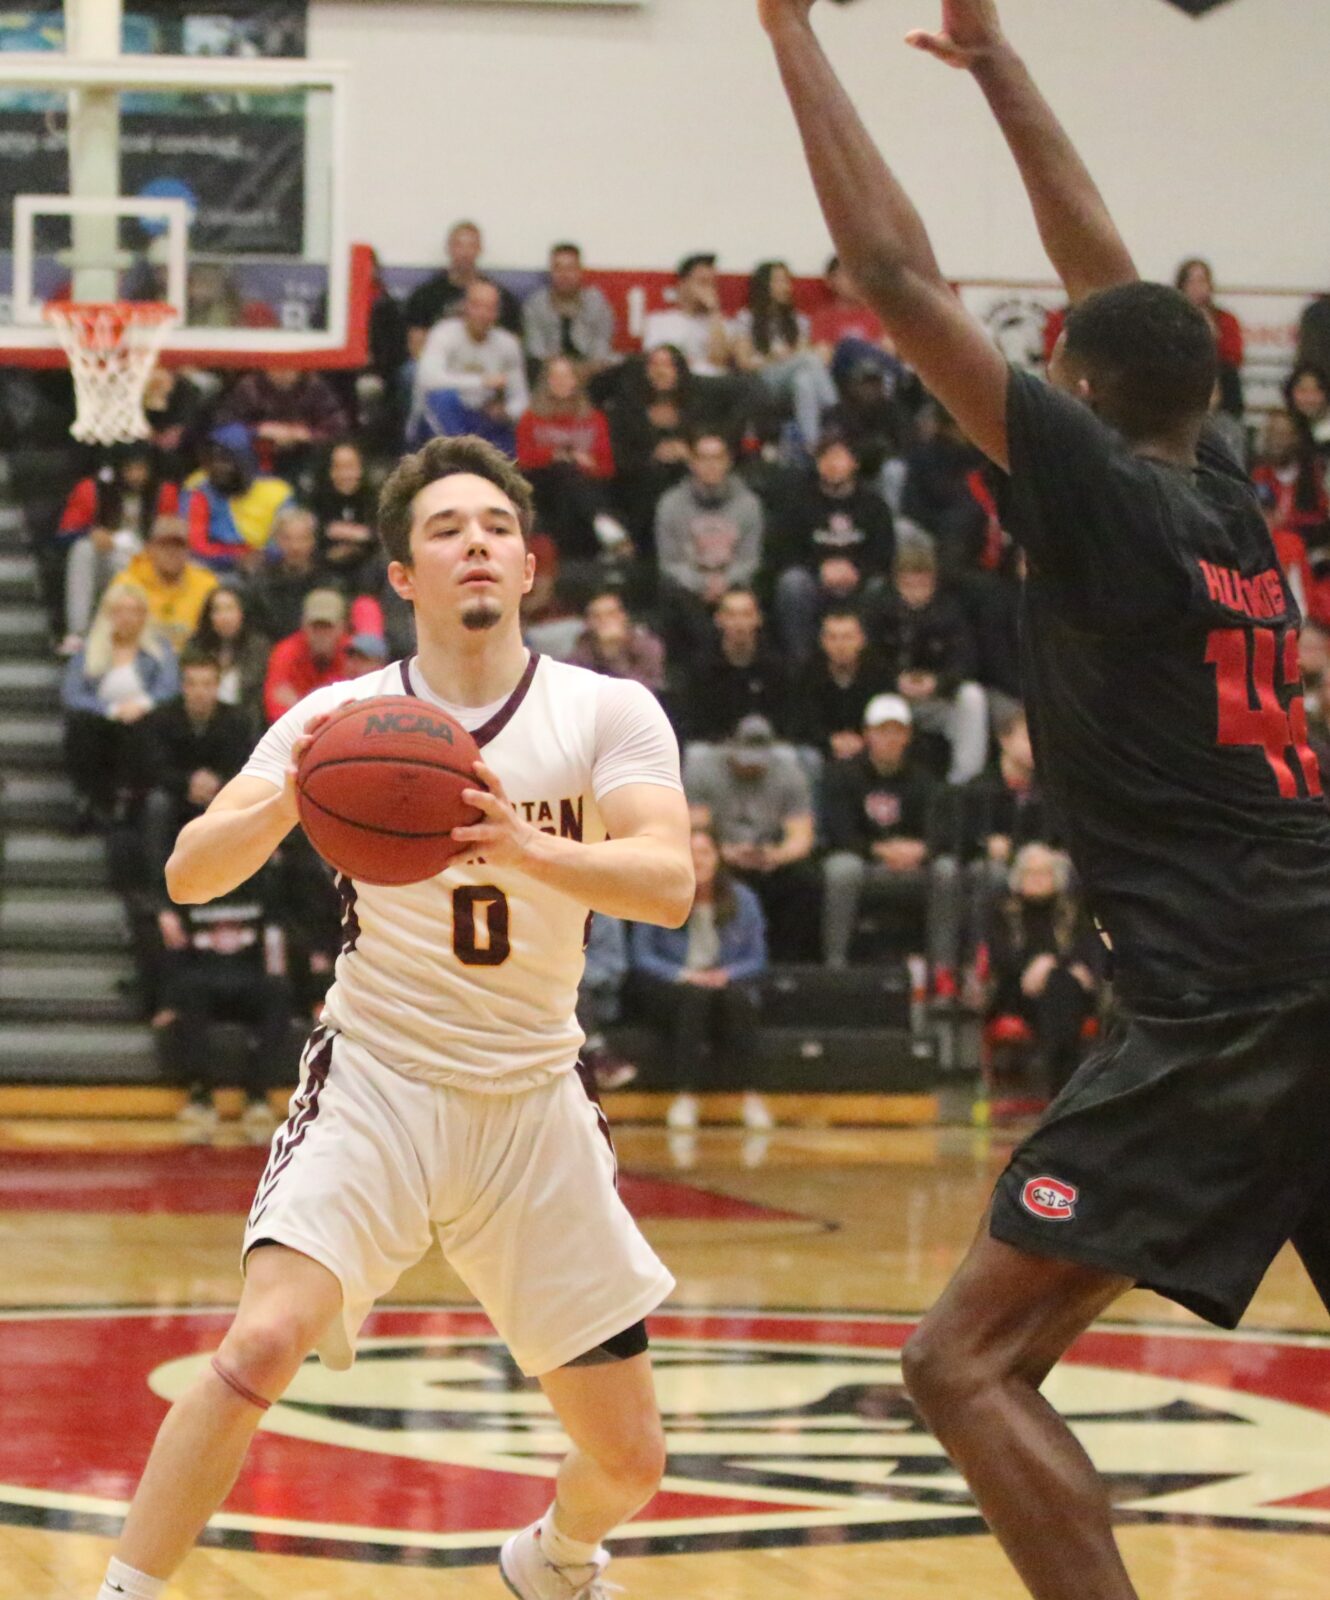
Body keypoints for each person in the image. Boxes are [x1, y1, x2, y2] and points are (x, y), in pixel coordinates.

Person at [758, 5, 1330, 1600]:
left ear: (1074, 390)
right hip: (1302, 944)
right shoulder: (1225, 495)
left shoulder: (1104, 496)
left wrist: (785, 25)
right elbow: (1119, 293)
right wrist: (999, 69)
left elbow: (890, 275)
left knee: (961, 1363)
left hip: (1224, 991)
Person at [92, 433, 692, 1600]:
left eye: (497, 528)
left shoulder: (604, 710)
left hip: (533, 1095)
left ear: (530, 565)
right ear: (404, 576)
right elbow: (187, 873)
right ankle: (123, 1591)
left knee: (630, 1458)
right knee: (263, 1338)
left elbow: (668, 882)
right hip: (380, 1075)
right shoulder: (340, 718)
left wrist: (526, 845)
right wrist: (288, 796)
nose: (477, 544)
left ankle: (553, 1559)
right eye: (446, 529)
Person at [630, 826, 769, 1132]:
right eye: (691, 854)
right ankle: (686, 1096)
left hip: (723, 986)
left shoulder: (743, 899)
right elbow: (642, 955)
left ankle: (750, 1096)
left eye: (705, 853)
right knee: (696, 997)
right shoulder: (658, 895)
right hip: (675, 986)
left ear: (718, 857)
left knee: (738, 999)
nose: (699, 861)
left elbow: (757, 958)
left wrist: (726, 974)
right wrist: (685, 975)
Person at [684, 714, 818, 961]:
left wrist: (775, 855)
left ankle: (787, 964)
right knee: (698, 866)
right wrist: (723, 852)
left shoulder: (790, 775)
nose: (751, 767)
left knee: (805, 879)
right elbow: (696, 829)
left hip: (768, 855)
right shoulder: (704, 770)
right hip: (719, 853)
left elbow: (801, 836)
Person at [819, 694, 937, 968]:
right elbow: (840, 834)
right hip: (864, 863)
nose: (890, 739)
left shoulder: (924, 780)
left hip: (913, 867)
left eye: (897, 731)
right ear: (867, 734)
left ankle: (943, 969)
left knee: (946, 870)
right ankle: (835, 965)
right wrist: (880, 850)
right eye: (882, 731)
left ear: (908, 736)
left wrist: (922, 850)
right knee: (842, 868)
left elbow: (937, 830)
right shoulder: (842, 774)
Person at [982, 842, 1103, 1100]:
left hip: (1066, 991)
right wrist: (1030, 970)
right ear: (1018, 877)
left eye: (1045, 873)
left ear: (1057, 877)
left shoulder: (1074, 908)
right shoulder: (1002, 909)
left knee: (1060, 984)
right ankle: (1066, 1086)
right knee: (1060, 987)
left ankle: (1059, 1085)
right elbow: (999, 956)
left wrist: (1052, 964)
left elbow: (1089, 950)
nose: (1037, 879)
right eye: (1030, 873)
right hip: (1018, 992)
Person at [61, 582, 180, 831]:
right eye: (120, 611)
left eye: (134, 611)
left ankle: (129, 802)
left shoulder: (160, 648)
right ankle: (91, 801)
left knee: (147, 724)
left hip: (143, 720)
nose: (127, 618)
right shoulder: (88, 648)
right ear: (108, 614)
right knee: (80, 723)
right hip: (102, 721)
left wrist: (141, 705)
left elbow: (169, 687)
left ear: (144, 616)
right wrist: (112, 710)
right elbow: (73, 694)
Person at [771, 435, 896, 662]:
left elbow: (884, 553)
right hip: (814, 581)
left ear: (854, 462)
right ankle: (801, 663)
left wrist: (857, 570)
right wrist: (820, 568)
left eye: (839, 457)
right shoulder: (797, 502)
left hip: (860, 582)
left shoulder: (874, 504)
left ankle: (870, 662)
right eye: (826, 457)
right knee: (792, 583)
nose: (833, 464)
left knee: (879, 586)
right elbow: (784, 551)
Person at [871, 544, 989, 782]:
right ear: (896, 583)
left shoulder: (950, 612)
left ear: (933, 582)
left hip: (936, 699)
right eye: (908, 585)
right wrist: (894, 680)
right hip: (891, 697)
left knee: (972, 696)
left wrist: (938, 683)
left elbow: (965, 660)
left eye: (922, 584)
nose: (915, 592)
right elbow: (868, 658)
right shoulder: (879, 609)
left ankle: (965, 781)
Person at [653, 431, 765, 659]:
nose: (711, 465)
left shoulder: (748, 504)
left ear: (728, 461)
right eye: (704, 458)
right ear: (692, 463)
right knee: (673, 596)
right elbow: (669, 562)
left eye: (717, 458)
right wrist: (702, 583)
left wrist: (725, 581)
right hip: (688, 588)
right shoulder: (671, 504)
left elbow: (750, 559)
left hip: (735, 583)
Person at [516, 356, 624, 566]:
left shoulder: (594, 419)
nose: (561, 382)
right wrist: (557, 455)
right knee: (564, 469)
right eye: (555, 377)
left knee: (572, 478)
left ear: (576, 381)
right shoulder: (531, 418)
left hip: (584, 485)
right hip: (543, 486)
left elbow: (606, 467)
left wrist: (583, 463)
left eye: (567, 376)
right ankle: (603, 524)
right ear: (546, 382)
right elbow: (524, 460)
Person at [411, 280, 530, 452]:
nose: (483, 314)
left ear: (497, 313)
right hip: (442, 418)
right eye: (477, 306)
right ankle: (458, 455)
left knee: (511, 442)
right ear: (464, 307)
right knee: (443, 397)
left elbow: (521, 398)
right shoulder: (444, 333)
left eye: (490, 308)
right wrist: (482, 382)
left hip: (485, 418)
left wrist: (507, 412)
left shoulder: (508, 344)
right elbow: (428, 379)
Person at [733, 260, 838, 453]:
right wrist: (772, 358)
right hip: (764, 379)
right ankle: (835, 411)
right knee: (808, 359)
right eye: (778, 281)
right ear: (763, 285)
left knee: (804, 381)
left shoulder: (798, 320)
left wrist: (793, 356)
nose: (786, 287)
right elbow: (743, 362)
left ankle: (812, 445)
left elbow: (804, 355)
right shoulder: (746, 318)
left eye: (787, 281)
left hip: (792, 379)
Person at [605, 344, 699, 549]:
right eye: (654, 365)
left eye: (667, 365)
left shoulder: (695, 408)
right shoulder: (625, 410)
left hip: (686, 480)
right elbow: (619, 458)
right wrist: (653, 456)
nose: (660, 371)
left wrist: (687, 454)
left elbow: (710, 449)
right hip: (638, 484)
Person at [678, 586, 791, 744]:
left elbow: (786, 718)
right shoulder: (702, 666)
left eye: (746, 614)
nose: (739, 623)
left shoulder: (776, 665)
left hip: (767, 746)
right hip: (718, 746)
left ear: (758, 619)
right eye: (731, 615)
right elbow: (695, 721)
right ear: (718, 619)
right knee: (697, 753)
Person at [183, 424, 295, 575]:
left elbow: (290, 540)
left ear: (244, 460)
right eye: (212, 460)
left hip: (268, 569)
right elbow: (193, 544)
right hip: (211, 570)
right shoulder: (198, 486)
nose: (218, 467)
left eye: (225, 460)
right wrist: (235, 558)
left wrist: (265, 556)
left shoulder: (277, 490)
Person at [403, 219, 522, 355]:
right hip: (438, 362)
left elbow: (513, 346)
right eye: (458, 245)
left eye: (471, 246)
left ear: (480, 250)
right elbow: (416, 346)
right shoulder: (425, 295)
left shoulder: (498, 296)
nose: (465, 253)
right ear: (448, 248)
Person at [108, 514, 219, 657]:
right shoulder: (127, 583)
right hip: (140, 657)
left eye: (179, 546)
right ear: (150, 548)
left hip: (191, 660)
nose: (171, 552)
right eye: (164, 545)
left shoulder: (207, 584)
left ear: (188, 550)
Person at [217, 366, 350, 480]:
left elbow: (338, 426)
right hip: (255, 457)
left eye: (289, 367)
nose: (283, 372)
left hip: (304, 458)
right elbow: (224, 424)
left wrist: (307, 434)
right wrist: (257, 430)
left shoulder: (314, 386)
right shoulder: (250, 387)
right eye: (276, 366)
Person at [795, 607, 894, 759]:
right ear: (823, 642)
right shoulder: (808, 674)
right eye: (833, 638)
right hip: (822, 748)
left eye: (847, 637)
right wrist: (830, 740)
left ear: (862, 640)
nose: (840, 645)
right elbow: (802, 721)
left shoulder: (880, 673)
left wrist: (864, 739)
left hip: (869, 746)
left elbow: (886, 717)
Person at [522, 243, 617, 375]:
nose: (564, 275)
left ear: (580, 271)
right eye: (558, 268)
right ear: (551, 272)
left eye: (570, 268)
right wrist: (561, 372)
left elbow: (602, 345)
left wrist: (582, 371)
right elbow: (536, 350)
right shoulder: (535, 305)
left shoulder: (597, 302)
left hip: (591, 371)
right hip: (549, 374)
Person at [189, 585, 271, 732]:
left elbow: (258, 699)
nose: (224, 617)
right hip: (203, 725)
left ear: (242, 612)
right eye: (217, 610)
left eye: (230, 609)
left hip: (246, 727)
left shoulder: (260, 649)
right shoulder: (196, 647)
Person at [263, 588, 350, 723]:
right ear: (303, 626)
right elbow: (276, 710)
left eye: (327, 627)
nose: (321, 635)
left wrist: (298, 704)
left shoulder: (353, 653)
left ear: (342, 627)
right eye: (315, 627)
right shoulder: (285, 652)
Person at [1175, 258, 1244, 419]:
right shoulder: (1171, 318)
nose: (1196, 287)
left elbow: (1234, 357)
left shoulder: (1225, 319)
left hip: (1218, 375)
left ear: (1210, 285)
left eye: (1201, 281)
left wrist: (1214, 339)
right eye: (1190, 281)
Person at [568, 590, 666, 692]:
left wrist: (612, 653)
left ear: (623, 616)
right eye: (596, 616)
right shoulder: (584, 645)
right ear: (588, 622)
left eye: (611, 614)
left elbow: (642, 688)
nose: (604, 620)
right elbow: (573, 680)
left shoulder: (647, 645)